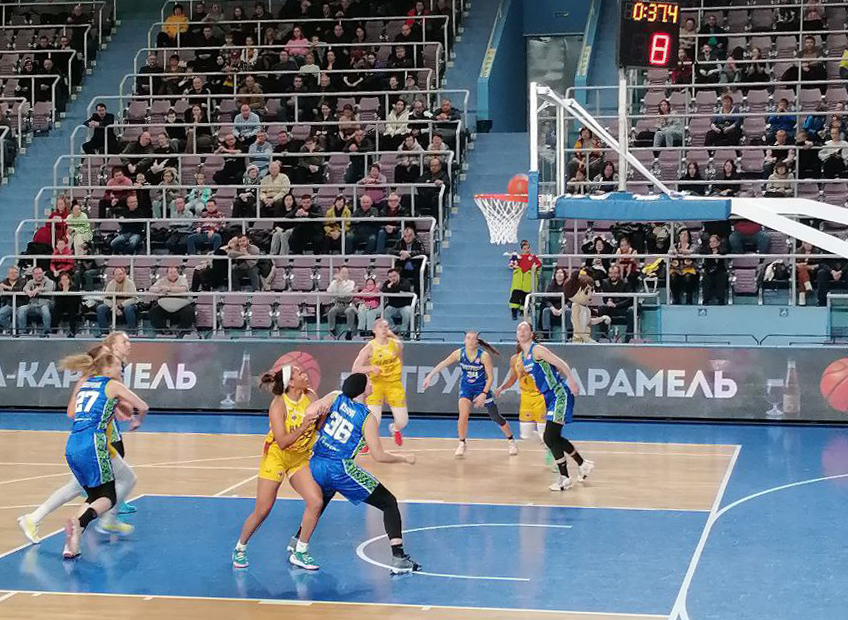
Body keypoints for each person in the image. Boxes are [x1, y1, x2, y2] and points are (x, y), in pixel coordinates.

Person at [292, 374, 420, 574]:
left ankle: (297, 541)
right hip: (339, 468)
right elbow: (378, 456)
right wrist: (403, 458)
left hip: (316, 462)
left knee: (323, 497)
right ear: (362, 388)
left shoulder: (335, 397)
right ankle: (399, 558)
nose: (371, 384)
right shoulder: (367, 417)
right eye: (369, 381)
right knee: (389, 502)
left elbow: (309, 411)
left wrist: (321, 411)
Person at [232, 365, 326, 571]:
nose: (305, 375)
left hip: (299, 458)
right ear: (291, 382)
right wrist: (304, 425)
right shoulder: (278, 405)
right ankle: (240, 547)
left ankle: (300, 551)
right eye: (300, 373)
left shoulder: (310, 396)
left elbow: (318, 427)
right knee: (263, 510)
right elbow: (282, 442)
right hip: (277, 457)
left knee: (316, 501)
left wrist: (322, 416)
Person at [60, 350, 149, 559]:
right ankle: (79, 522)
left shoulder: (85, 383)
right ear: (107, 368)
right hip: (93, 444)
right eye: (117, 365)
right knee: (108, 496)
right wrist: (137, 419)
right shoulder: (112, 385)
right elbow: (142, 406)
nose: (120, 368)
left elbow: (72, 412)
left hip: (72, 444)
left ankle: (72, 544)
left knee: (93, 496)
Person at [516, 321, 594, 491]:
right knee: (554, 437)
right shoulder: (522, 357)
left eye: (525, 329)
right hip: (549, 397)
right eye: (519, 329)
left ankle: (565, 478)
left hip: (559, 394)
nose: (521, 331)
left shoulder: (537, 349)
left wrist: (571, 380)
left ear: (531, 333)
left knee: (549, 437)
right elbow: (549, 370)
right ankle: (583, 464)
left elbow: (560, 363)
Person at [422, 332, 518, 458]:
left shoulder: (483, 356)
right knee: (463, 415)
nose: (470, 340)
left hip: (481, 388)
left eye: (473, 339)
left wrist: (483, 394)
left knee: (495, 416)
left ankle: (511, 440)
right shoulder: (459, 353)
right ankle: (462, 443)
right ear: (464, 340)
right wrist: (430, 376)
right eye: (468, 338)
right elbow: (444, 363)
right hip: (466, 388)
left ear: (477, 342)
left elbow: (490, 378)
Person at [351, 318, 409, 447]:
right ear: (374, 330)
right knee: (374, 420)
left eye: (386, 327)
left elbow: (401, 352)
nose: (383, 329)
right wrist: (371, 368)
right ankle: (366, 442)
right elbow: (355, 368)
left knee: (403, 421)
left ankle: (395, 429)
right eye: (380, 327)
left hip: (394, 384)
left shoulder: (395, 344)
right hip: (376, 384)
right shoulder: (370, 347)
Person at [148, 266, 194, 335]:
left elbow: (183, 289)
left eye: (175, 272)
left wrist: (169, 289)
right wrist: (160, 289)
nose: (173, 274)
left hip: (181, 305)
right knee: (153, 312)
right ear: (167, 274)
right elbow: (151, 289)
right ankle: (164, 330)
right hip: (164, 305)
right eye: (171, 272)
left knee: (189, 311)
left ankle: (181, 330)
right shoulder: (162, 280)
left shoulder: (182, 279)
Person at [96, 267, 138, 335]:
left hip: (126, 305)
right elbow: (106, 299)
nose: (119, 276)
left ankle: (132, 332)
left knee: (129, 308)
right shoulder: (111, 284)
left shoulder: (130, 283)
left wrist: (120, 306)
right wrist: (114, 307)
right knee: (100, 308)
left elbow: (133, 299)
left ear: (124, 274)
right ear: (114, 276)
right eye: (117, 275)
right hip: (113, 306)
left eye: (120, 274)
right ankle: (104, 333)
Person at [508, 240, 541, 320]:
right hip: (518, 281)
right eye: (524, 248)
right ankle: (514, 312)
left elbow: (538, 264)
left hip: (527, 281)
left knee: (525, 296)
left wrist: (534, 268)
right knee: (515, 296)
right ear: (522, 249)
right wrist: (514, 266)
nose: (526, 250)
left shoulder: (532, 257)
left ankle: (523, 311)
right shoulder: (517, 257)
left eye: (528, 248)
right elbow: (511, 264)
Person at [17, 267, 54, 335]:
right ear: (33, 275)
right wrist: (27, 291)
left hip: (45, 303)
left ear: (43, 273)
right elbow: (25, 288)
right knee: (21, 309)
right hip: (33, 304)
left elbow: (50, 288)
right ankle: (22, 331)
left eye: (40, 273)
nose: (39, 275)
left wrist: (38, 289)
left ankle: (47, 331)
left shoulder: (48, 281)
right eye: (36, 274)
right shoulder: (31, 282)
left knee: (45, 311)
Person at [380, 268, 415, 335]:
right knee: (384, 313)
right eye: (390, 277)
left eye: (394, 276)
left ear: (398, 275)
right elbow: (383, 290)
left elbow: (405, 287)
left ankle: (403, 332)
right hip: (393, 305)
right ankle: (394, 329)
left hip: (405, 305)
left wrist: (391, 288)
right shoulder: (387, 283)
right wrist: (392, 289)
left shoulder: (405, 281)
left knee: (407, 312)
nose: (393, 278)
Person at [325, 266, 356, 339]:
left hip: (348, 305)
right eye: (342, 272)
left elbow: (347, 292)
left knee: (349, 312)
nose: (344, 274)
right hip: (338, 304)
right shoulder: (335, 282)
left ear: (348, 274)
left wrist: (342, 282)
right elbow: (329, 291)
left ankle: (349, 331)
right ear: (339, 273)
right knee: (331, 311)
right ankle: (332, 330)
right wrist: (336, 283)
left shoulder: (351, 283)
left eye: (346, 273)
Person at [670, 229, 699, 305]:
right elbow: (669, 252)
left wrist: (681, 251)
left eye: (686, 235)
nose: (683, 236)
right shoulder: (674, 246)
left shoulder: (693, 246)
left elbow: (692, 251)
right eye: (682, 234)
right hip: (676, 269)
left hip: (689, 269)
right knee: (673, 277)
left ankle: (689, 299)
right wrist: (673, 251)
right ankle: (676, 299)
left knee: (688, 277)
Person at [540, 267, 568, 338]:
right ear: (555, 275)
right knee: (545, 310)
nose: (559, 274)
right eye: (557, 273)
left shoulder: (568, 286)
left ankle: (570, 335)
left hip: (564, 308)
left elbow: (570, 300)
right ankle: (545, 335)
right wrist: (552, 308)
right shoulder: (550, 286)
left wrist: (562, 309)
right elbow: (547, 299)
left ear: (564, 275)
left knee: (569, 311)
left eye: (561, 273)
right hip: (553, 308)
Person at [702, 234, 728, 305]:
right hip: (709, 271)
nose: (711, 243)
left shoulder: (722, 251)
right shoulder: (706, 251)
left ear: (718, 243)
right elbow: (702, 252)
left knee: (721, 277)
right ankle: (706, 300)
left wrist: (717, 253)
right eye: (710, 242)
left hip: (719, 270)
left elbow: (724, 252)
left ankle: (720, 300)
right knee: (706, 278)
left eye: (714, 241)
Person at [0, 266, 26, 333]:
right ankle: (11, 328)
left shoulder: (22, 280)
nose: (13, 274)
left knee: (21, 314)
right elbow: (1, 286)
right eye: (11, 273)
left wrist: (6, 287)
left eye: (15, 272)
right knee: (1, 315)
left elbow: (19, 289)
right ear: (8, 274)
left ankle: (22, 332)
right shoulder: (5, 281)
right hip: (10, 304)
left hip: (22, 304)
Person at [796, 241, 819, 306]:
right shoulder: (798, 251)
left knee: (802, 272)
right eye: (805, 243)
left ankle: (802, 297)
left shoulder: (817, 252)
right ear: (802, 243)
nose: (807, 245)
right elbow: (792, 262)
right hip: (801, 271)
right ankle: (808, 286)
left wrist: (809, 267)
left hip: (812, 272)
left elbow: (820, 264)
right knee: (802, 270)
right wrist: (798, 265)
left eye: (809, 243)